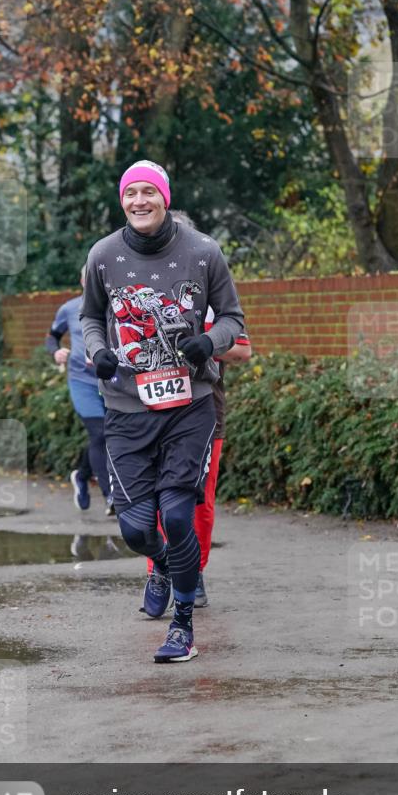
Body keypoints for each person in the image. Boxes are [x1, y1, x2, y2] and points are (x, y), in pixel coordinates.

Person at [80, 160, 245, 663]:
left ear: (165, 197)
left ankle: (183, 627)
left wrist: (209, 341)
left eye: (149, 192)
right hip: (128, 408)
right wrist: (97, 350)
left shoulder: (203, 251)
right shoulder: (103, 255)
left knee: (178, 515)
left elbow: (234, 319)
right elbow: (90, 315)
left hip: (189, 405)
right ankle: (167, 566)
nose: (139, 202)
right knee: (135, 528)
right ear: (122, 201)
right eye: (131, 194)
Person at [143, 212, 252, 608]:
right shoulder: (140, 292)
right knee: (155, 498)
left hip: (206, 409)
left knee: (199, 500)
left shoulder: (210, 290)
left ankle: (195, 570)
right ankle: (161, 569)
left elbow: (243, 348)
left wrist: (206, 342)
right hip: (151, 409)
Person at [46, 266, 113, 515]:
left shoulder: (118, 305)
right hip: (82, 381)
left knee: (109, 433)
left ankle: (82, 476)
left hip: (112, 381)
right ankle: (110, 496)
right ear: (82, 280)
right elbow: (52, 336)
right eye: (89, 276)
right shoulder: (69, 308)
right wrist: (56, 351)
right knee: (100, 434)